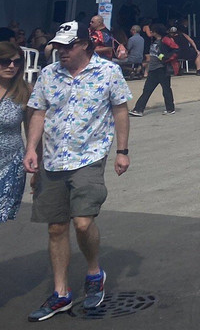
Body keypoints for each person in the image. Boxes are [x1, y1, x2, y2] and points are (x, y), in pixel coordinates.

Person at [23, 21, 132, 321]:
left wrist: (122, 151)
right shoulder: (48, 74)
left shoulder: (109, 72)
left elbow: (120, 110)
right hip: (54, 158)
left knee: (83, 223)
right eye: (58, 47)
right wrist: (32, 149)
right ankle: (61, 294)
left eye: (67, 46)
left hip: (89, 155)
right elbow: (39, 113)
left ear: (84, 44)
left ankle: (94, 272)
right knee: (56, 227)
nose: (61, 52)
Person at [0, 41, 30, 223]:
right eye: (5, 61)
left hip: (10, 164)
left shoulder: (25, 91)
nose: (12, 66)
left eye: (17, 62)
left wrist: (38, 167)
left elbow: (33, 131)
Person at [129, 24, 176, 117]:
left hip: (162, 68)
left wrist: (166, 58)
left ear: (156, 32)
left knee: (165, 89)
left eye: (152, 31)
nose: (150, 32)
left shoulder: (165, 40)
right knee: (147, 89)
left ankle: (170, 108)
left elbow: (175, 49)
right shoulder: (155, 41)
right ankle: (138, 109)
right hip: (153, 68)